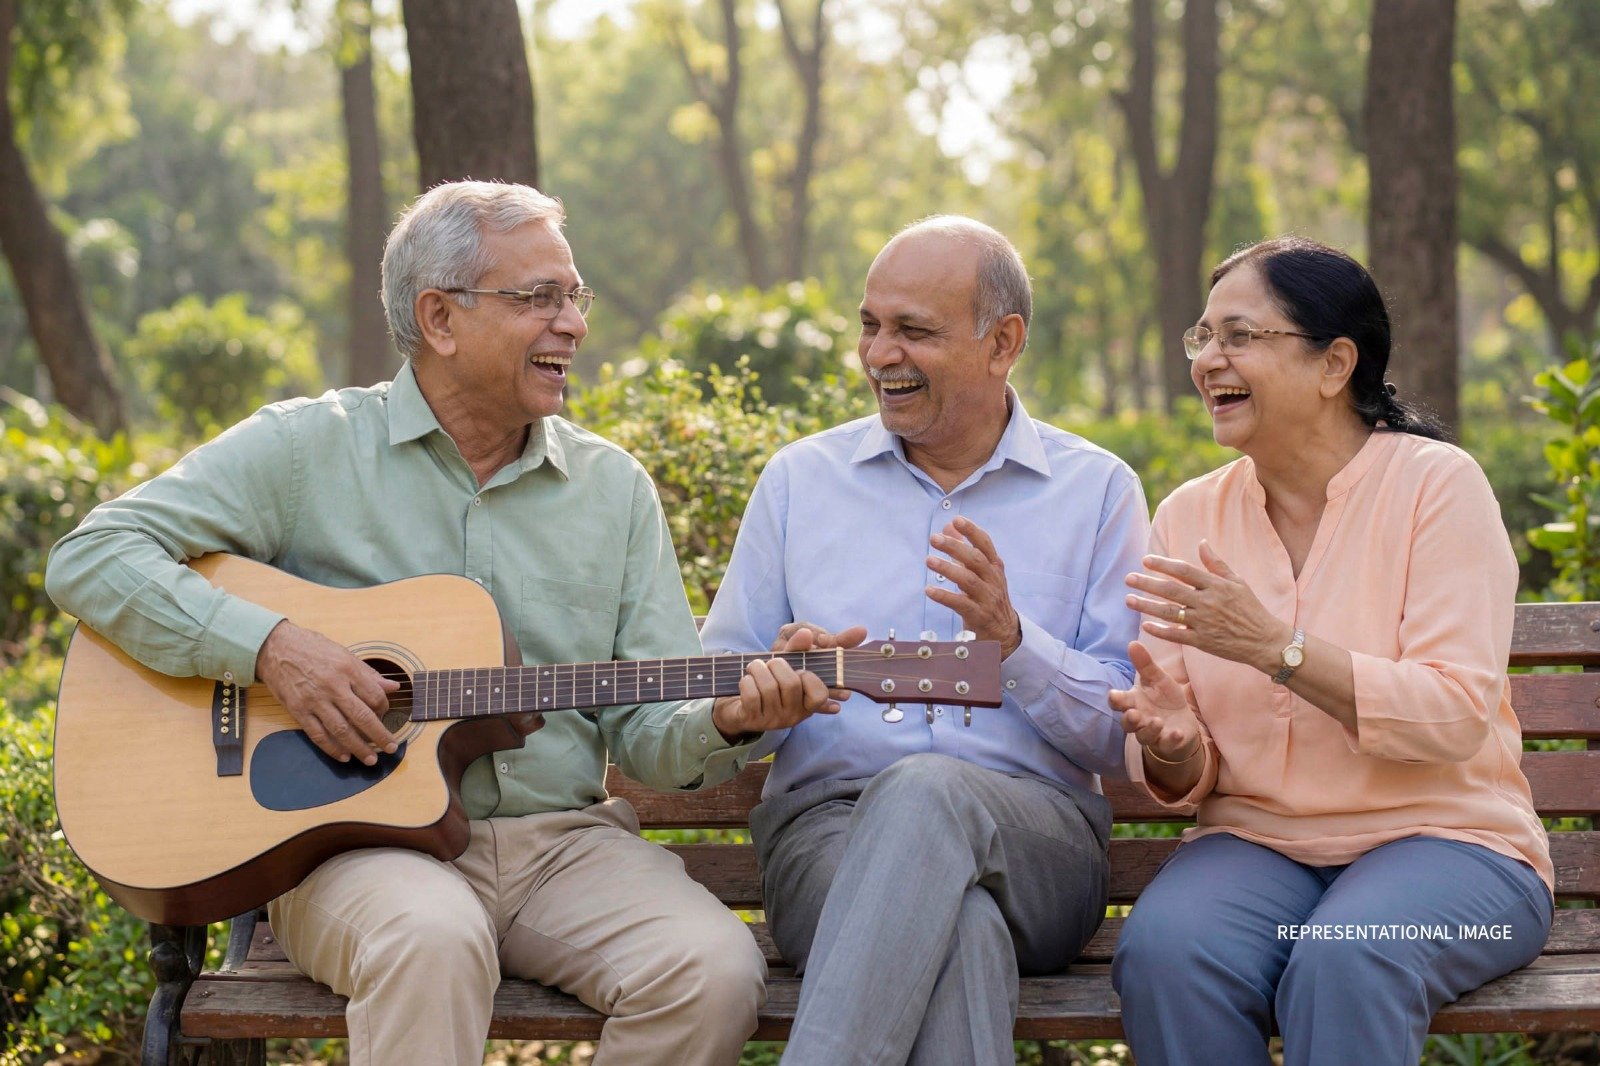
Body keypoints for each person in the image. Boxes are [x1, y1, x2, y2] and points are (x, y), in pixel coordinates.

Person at [45, 180, 841, 1066]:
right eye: (539, 297)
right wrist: (274, 649)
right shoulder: (307, 450)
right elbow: (93, 554)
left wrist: (732, 718)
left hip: (565, 849)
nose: (573, 323)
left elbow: (650, 735)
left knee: (712, 968)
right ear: (440, 318)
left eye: (574, 296)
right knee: (431, 940)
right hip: (357, 855)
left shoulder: (612, 489)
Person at [699, 216, 1149, 1065]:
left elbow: (1126, 736)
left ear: (1003, 342)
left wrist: (1015, 644)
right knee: (963, 932)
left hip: (1042, 847)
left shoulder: (1098, 492)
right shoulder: (802, 482)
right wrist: (761, 697)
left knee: (927, 790)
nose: (879, 354)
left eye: (914, 330)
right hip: (826, 839)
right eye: (870, 325)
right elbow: (717, 690)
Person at [1109, 236, 1554, 1066]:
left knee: (1349, 952)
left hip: (1457, 849)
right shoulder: (1188, 517)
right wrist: (1170, 747)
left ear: (1334, 363)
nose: (1210, 360)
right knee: (1167, 954)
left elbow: (1456, 715)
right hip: (1256, 849)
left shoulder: (1437, 487)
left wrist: (1280, 650)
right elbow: (1181, 764)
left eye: (1240, 336)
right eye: (1202, 338)